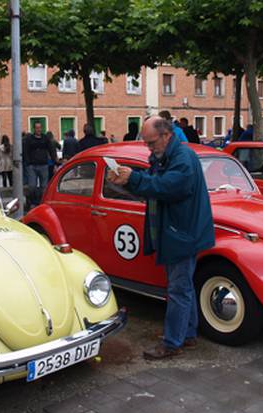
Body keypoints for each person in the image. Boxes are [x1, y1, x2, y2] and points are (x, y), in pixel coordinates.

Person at [106, 115, 214, 360]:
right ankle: (187, 335)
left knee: (178, 289)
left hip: (181, 234)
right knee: (184, 287)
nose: (149, 148)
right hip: (179, 232)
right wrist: (127, 180)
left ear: (166, 136)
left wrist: (133, 178)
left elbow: (165, 187)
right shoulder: (167, 155)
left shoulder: (182, 159)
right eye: (146, 143)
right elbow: (153, 185)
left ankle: (172, 342)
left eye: (152, 143)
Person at [23, 122, 58, 208]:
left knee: (44, 186)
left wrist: (55, 163)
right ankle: (31, 201)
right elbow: (25, 151)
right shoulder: (29, 139)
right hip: (32, 166)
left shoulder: (45, 138)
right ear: (34, 129)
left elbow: (51, 150)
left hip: (43, 165)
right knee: (32, 186)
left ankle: (42, 202)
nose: (38, 129)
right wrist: (28, 163)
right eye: (37, 128)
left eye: (40, 128)